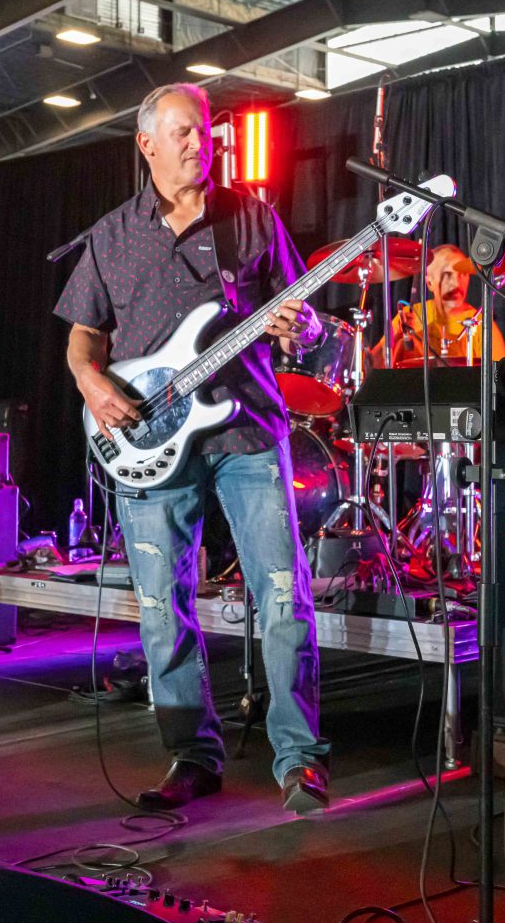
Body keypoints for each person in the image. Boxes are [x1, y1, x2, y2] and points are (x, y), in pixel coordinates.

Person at [56, 82, 332, 814]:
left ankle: (299, 759)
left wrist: (303, 330)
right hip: (150, 436)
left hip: (248, 429)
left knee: (282, 595)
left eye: (204, 132)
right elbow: (83, 336)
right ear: (146, 144)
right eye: (180, 132)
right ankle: (191, 754)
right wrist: (90, 381)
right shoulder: (111, 235)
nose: (196, 143)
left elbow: (301, 318)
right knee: (160, 604)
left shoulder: (253, 218)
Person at [371, 244, 505, 367]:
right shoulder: (410, 316)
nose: (456, 283)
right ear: (429, 283)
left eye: (462, 274)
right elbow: (373, 369)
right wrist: (395, 337)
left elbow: (501, 377)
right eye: (447, 274)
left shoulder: (481, 324)